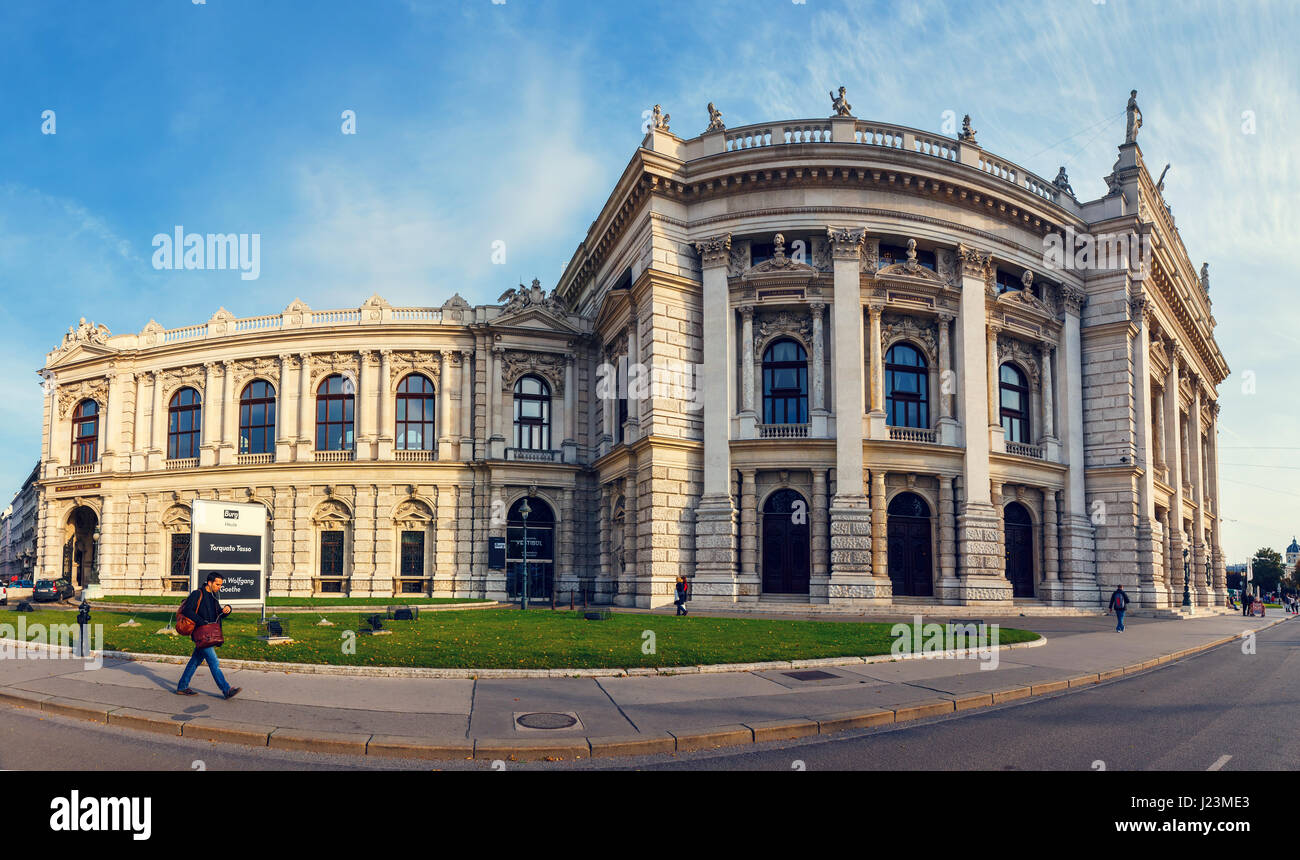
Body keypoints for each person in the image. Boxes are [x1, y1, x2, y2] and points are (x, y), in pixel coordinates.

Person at [175, 572, 240, 699]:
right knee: (213, 661)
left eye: (221, 585)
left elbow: (217, 615)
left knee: (195, 661)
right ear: (209, 583)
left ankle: (182, 687)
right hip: (201, 634)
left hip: (209, 634)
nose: (219, 587)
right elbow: (187, 610)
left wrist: (227, 610)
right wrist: (201, 622)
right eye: (217, 584)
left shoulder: (213, 596)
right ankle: (226, 689)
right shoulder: (197, 594)